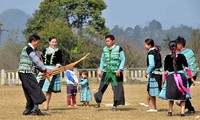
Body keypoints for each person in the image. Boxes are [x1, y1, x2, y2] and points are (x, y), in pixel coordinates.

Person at [18, 34, 52, 116]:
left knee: (29, 91)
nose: (38, 44)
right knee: (36, 89)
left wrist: (42, 70)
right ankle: (35, 109)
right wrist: (45, 69)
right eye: (37, 42)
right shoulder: (29, 49)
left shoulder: (30, 49)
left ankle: (28, 109)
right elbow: (35, 60)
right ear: (33, 41)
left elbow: (34, 63)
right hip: (26, 72)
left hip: (24, 72)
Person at [94, 34, 126, 111]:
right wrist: (100, 70)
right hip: (107, 72)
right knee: (101, 87)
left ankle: (115, 105)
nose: (107, 42)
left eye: (108, 41)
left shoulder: (119, 49)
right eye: (106, 41)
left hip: (116, 73)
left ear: (113, 41)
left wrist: (120, 69)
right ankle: (98, 102)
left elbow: (123, 59)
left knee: (117, 89)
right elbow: (102, 60)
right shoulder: (104, 49)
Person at [164, 41, 195, 116]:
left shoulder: (167, 57)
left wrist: (164, 80)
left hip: (171, 77)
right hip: (181, 76)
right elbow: (187, 68)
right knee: (182, 95)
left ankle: (170, 111)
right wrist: (191, 78)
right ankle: (182, 112)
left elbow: (165, 71)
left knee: (171, 95)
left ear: (169, 48)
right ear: (177, 47)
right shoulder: (182, 56)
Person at [38, 36, 63, 110]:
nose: (54, 43)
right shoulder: (45, 50)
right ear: (49, 42)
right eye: (53, 42)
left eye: (55, 42)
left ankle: (46, 105)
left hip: (53, 70)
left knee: (48, 89)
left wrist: (55, 69)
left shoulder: (58, 51)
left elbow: (59, 62)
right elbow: (40, 59)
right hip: (44, 69)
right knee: (38, 86)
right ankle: (36, 104)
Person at [175, 36, 198, 114]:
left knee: (182, 93)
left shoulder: (180, 54)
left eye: (176, 44)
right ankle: (189, 108)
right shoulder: (190, 51)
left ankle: (191, 109)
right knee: (183, 92)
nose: (175, 46)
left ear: (180, 44)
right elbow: (194, 63)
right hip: (193, 74)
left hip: (186, 75)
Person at [143, 38, 162, 112]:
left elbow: (151, 64)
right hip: (159, 73)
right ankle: (152, 106)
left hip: (154, 73)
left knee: (151, 91)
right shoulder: (156, 51)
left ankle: (154, 108)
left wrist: (147, 71)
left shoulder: (151, 53)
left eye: (145, 45)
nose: (144, 46)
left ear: (150, 45)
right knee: (152, 90)